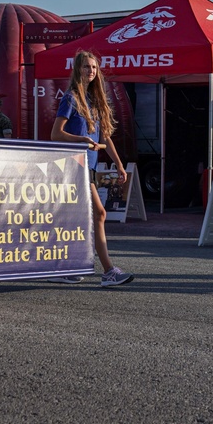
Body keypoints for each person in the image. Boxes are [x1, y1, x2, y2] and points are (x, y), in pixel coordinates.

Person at [52, 50, 134, 287]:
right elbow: (56, 134)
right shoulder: (71, 98)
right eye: (86, 67)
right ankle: (107, 270)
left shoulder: (96, 101)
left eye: (94, 68)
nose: (91, 71)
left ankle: (67, 267)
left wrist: (118, 164)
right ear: (78, 70)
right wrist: (81, 140)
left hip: (89, 167)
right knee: (98, 214)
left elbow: (105, 137)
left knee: (78, 218)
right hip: (73, 165)